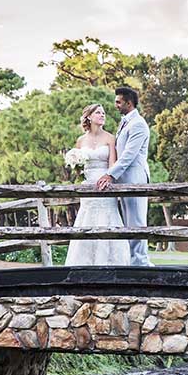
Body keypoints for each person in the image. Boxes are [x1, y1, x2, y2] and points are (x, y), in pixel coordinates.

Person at [63, 103, 131, 266]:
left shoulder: (109, 138)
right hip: (87, 187)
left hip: (105, 186)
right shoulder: (80, 141)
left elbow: (113, 165)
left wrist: (108, 179)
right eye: (98, 113)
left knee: (107, 220)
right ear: (89, 117)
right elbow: (78, 171)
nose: (102, 115)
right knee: (86, 221)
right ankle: (84, 263)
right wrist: (75, 165)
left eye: (103, 113)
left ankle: (110, 263)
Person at [95, 86, 152, 266]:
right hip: (125, 178)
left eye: (119, 101)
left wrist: (110, 175)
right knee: (128, 222)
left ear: (129, 103)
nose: (116, 105)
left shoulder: (139, 124)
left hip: (135, 177)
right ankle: (132, 261)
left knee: (136, 222)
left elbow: (128, 155)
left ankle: (140, 263)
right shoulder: (125, 122)